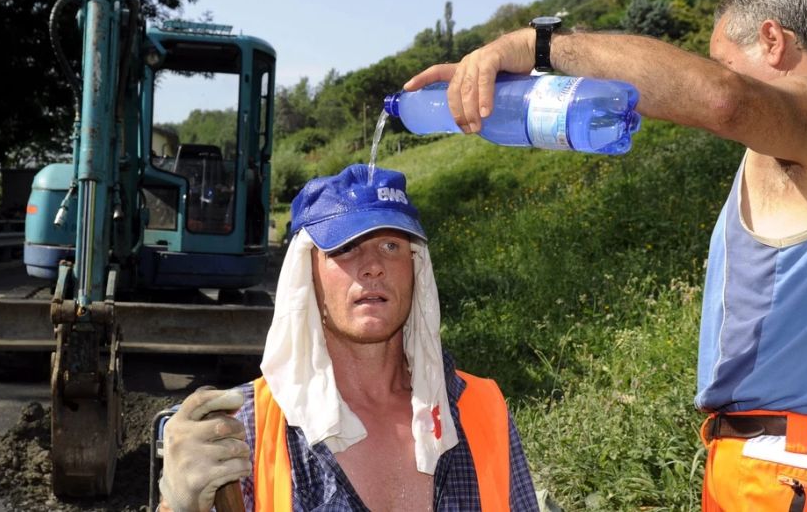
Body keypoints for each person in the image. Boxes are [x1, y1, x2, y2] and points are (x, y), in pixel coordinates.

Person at [405, 0, 807, 511]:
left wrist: (538, 47)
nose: (725, 76)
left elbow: (724, 100)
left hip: (797, 473)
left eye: (725, 61)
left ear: (772, 41)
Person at [157, 164, 540, 511]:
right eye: (344, 247)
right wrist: (178, 508)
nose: (373, 267)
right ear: (307, 277)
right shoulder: (242, 429)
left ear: (415, 269)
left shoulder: (481, 411)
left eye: (391, 246)